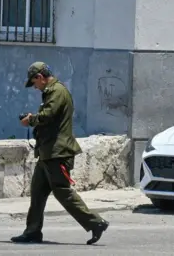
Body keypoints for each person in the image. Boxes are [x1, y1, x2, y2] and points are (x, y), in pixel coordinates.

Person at [11, 62, 109, 244]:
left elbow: (48, 116)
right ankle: (32, 231)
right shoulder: (52, 92)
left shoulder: (56, 91)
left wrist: (31, 120)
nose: (35, 87)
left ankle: (95, 223)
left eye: (34, 83)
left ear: (40, 77)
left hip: (57, 153)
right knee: (37, 192)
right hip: (48, 153)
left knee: (62, 191)